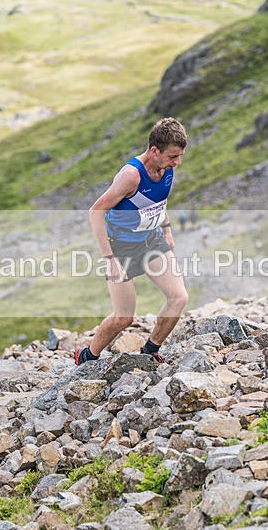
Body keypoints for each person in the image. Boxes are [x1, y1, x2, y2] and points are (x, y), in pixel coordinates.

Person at [75, 118, 189, 365]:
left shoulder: (166, 169)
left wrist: (167, 231)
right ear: (154, 150)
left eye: (180, 156)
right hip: (121, 249)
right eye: (173, 156)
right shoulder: (130, 176)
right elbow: (96, 212)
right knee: (124, 317)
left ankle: (149, 352)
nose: (178, 163)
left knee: (179, 298)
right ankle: (87, 356)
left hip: (151, 241)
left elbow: (159, 202)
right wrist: (109, 259)